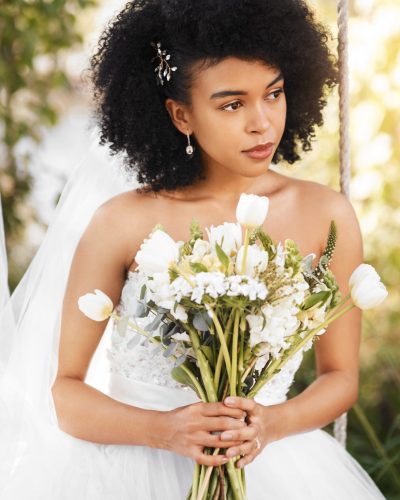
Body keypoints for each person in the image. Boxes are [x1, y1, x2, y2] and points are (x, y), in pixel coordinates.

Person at [0, 0, 386, 498]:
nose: (262, 123)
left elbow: (340, 377)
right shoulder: (123, 221)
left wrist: (272, 422)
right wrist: (164, 430)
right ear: (181, 115)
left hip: (278, 466)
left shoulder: (325, 215)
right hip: (133, 470)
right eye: (232, 104)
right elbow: (63, 393)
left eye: (274, 93)